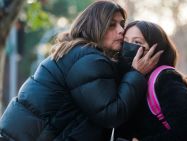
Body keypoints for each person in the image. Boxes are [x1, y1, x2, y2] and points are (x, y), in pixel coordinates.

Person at [0, 1, 163, 141]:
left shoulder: (79, 53)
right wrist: (136, 74)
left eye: (122, 23)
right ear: (95, 27)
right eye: (112, 24)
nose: (121, 30)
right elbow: (110, 114)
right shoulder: (88, 59)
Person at [115, 21, 187, 141]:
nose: (128, 47)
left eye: (137, 42)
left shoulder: (165, 78)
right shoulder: (127, 79)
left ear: (154, 50)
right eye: (125, 41)